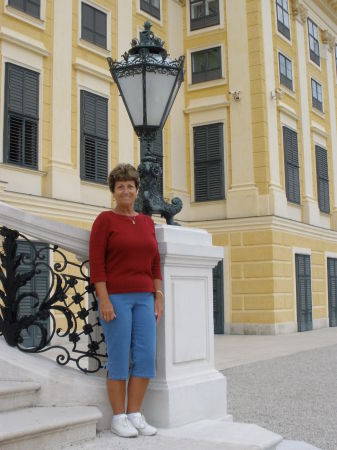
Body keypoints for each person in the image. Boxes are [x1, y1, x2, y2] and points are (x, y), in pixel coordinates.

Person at [89, 163, 163, 438]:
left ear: (136, 190)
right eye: (120, 186)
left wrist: (159, 295)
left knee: (145, 356)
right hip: (116, 298)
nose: (125, 190)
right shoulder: (105, 221)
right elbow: (97, 264)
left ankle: (135, 413)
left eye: (130, 186)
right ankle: (118, 417)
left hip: (145, 297)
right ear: (113, 191)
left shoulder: (146, 222)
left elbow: (155, 263)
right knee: (119, 357)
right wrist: (104, 299)